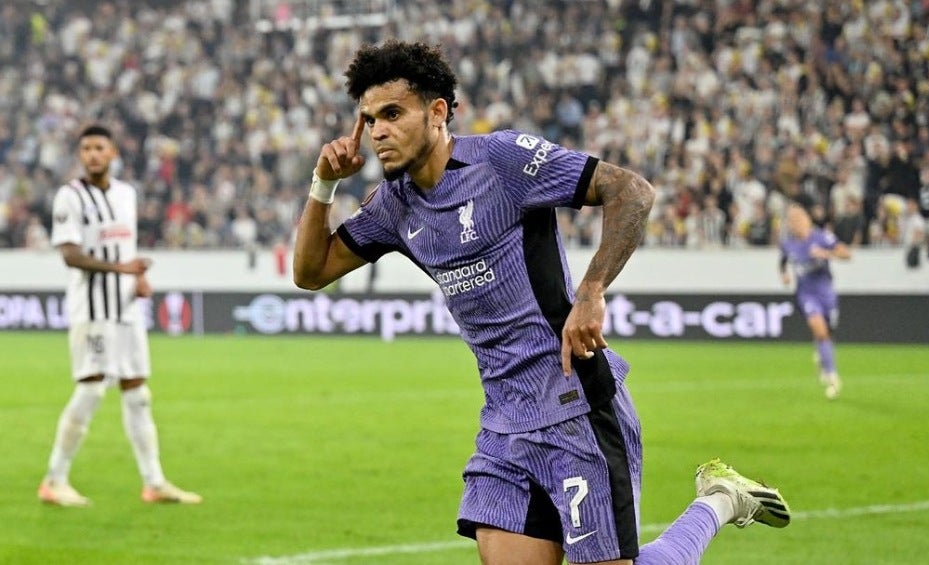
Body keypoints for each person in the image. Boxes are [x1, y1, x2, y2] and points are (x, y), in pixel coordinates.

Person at [294, 40, 790, 565]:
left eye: (392, 114)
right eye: (370, 120)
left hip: (576, 404)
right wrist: (323, 184)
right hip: (503, 423)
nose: (378, 132)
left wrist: (592, 291)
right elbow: (311, 271)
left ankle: (717, 501)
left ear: (437, 112)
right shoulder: (395, 204)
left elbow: (631, 191)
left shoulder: (502, 162)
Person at [40, 125, 201, 507]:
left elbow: (125, 248)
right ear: (80, 155)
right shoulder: (70, 196)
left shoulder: (127, 194)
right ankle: (54, 479)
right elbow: (70, 255)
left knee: (137, 392)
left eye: (99, 147)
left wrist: (138, 278)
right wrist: (122, 271)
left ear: (112, 152)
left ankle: (154, 482)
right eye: (86, 149)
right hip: (92, 309)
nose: (93, 154)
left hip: (126, 308)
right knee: (93, 387)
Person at [779, 202, 852, 400]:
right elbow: (783, 261)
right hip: (806, 294)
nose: (794, 224)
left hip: (826, 292)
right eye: (791, 221)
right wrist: (784, 275)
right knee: (820, 332)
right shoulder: (788, 243)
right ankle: (832, 376)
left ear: (806, 220)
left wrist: (826, 254)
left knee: (828, 333)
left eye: (797, 219)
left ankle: (822, 356)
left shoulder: (821, 237)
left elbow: (846, 254)